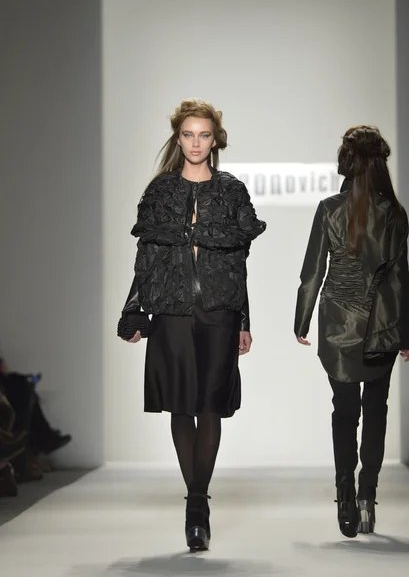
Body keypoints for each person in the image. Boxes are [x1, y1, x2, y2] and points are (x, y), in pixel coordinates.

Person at [118, 99, 266, 551]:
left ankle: (198, 499)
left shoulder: (230, 190)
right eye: (188, 134)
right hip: (172, 308)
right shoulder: (161, 191)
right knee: (182, 406)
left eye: (204, 135)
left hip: (220, 308)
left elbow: (239, 260)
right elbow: (147, 256)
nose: (196, 142)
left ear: (215, 138)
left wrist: (243, 317)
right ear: (177, 137)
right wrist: (133, 308)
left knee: (211, 407)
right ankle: (196, 505)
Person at [294, 126, 409, 538]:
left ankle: (344, 494)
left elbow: (314, 271)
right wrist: (405, 332)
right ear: (379, 163)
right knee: (376, 410)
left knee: (345, 412)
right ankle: (365, 496)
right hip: (382, 324)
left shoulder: (329, 209)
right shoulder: (395, 214)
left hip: (339, 323)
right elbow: (399, 278)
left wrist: (302, 319)